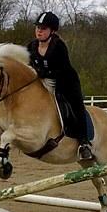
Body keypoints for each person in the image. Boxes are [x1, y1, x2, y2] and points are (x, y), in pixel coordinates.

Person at [27, 11, 94, 161]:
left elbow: (62, 69)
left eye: (43, 28)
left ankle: (84, 143)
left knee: (76, 106)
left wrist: (42, 72)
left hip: (65, 83)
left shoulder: (59, 46)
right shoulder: (32, 46)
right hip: (43, 82)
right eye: (37, 27)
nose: (39, 31)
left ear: (52, 31)